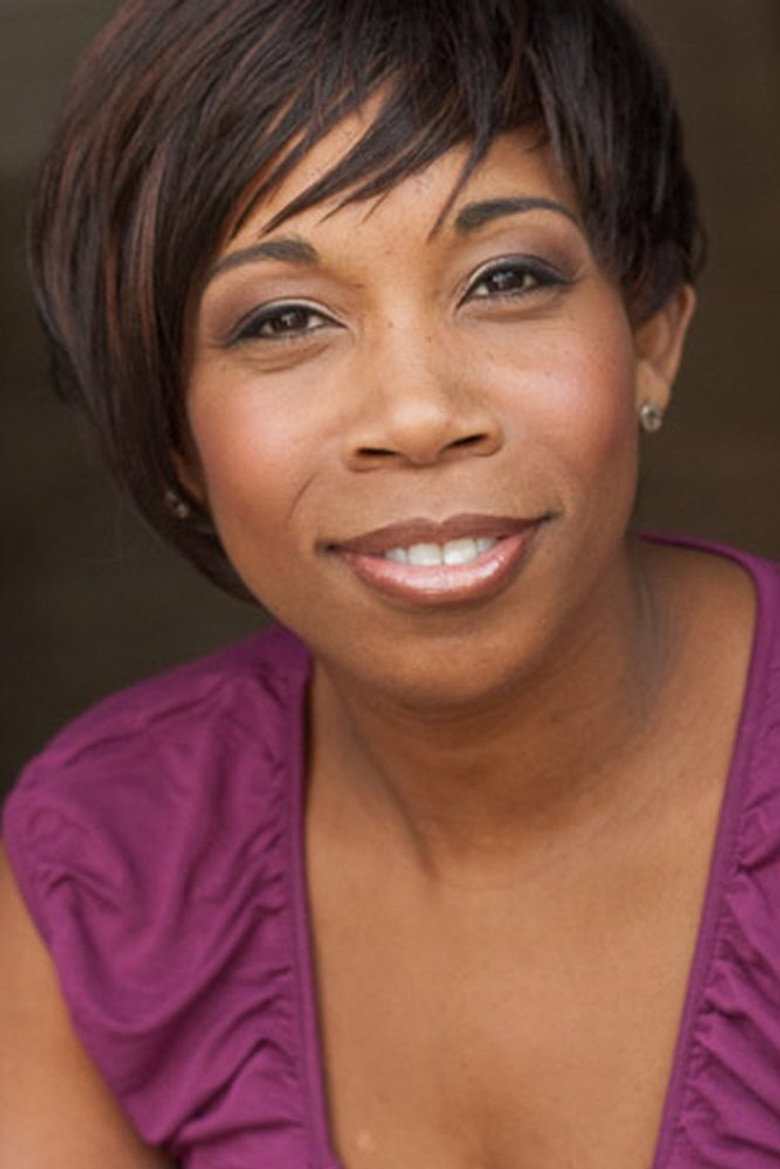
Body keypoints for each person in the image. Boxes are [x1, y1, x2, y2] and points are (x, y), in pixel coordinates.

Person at [1, 0, 777, 1166]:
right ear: (174, 442)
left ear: (652, 336)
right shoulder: (107, 872)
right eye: (284, 319)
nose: (417, 413)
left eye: (504, 278)